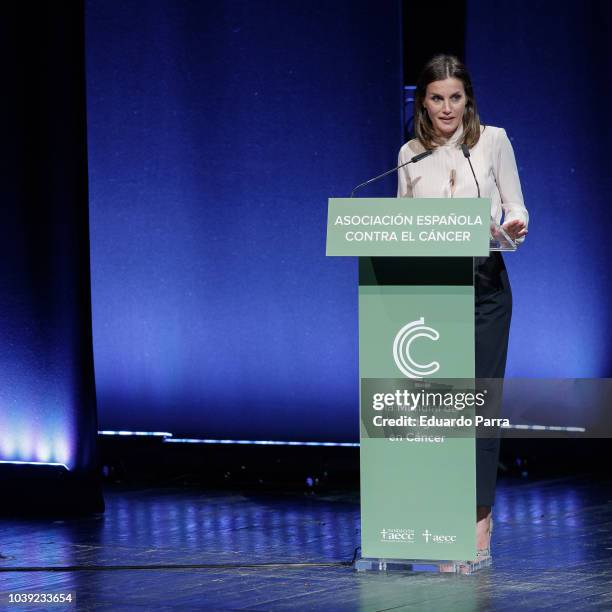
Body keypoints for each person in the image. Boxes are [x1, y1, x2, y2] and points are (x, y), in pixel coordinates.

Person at [397, 54, 529, 560]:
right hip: (429, 292)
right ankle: (440, 519)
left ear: (467, 98)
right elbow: (402, 228)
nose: (446, 108)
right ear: (423, 102)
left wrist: (515, 224)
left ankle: (478, 520)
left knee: (478, 408)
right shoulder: (409, 152)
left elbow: (515, 204)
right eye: (436, 98)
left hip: (484, 287)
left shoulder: (492, 141)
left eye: (455, 97)